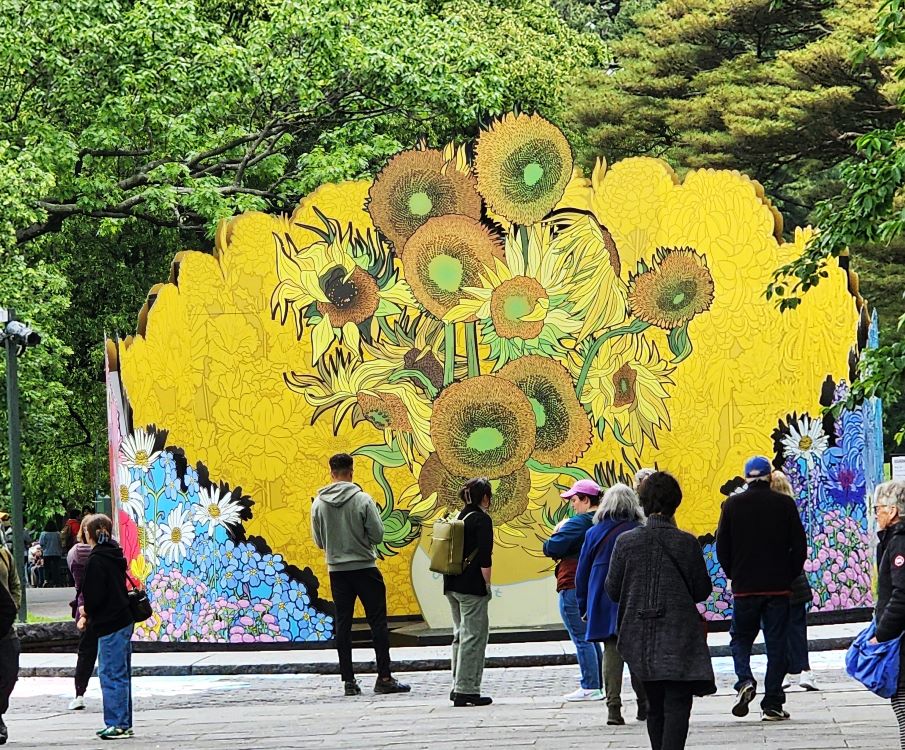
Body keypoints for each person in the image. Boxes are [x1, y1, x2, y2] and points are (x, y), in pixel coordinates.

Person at [606, 471, 715, 750]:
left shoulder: (625, 542)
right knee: (678, 703)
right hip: (679, 635)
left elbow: (612, 589)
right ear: (675, 503)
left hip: (639, 637)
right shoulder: (686, 543)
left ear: (642, 502)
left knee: (654, 705)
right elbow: (702, 590)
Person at [716, 456, 807, 722]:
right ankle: (773, 703)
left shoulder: (732, 505)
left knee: (740, 638)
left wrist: (734, 574)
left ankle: (744, 679)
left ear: (746, 478)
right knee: (777, 643)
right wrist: (788, 574)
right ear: (769, 477)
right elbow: (799, 546)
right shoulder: (785, 504)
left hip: (745, 588)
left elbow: (722, 547)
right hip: (778, 588)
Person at [311, 453, 410, 697]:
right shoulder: (363, 500)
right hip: (365, 568)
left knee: (343, 624)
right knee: (377, 622)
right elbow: (377, 535)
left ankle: (348, 680)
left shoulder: (318, 504)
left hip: (337, 572)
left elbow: (319, 542)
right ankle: (384, 678)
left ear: (331, 472)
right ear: (351, 472)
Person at [576, 482, 648, 725]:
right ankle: (644, 704)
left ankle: (613, 707)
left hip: (603, 596)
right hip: (634, 595)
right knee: (636, 649)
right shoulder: (640, 530)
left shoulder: (593, 533)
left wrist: (583, 605)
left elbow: (582, 573)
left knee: (611, 649)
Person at [543, 479, 604, 705]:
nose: (572, 505)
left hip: (572, 582)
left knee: (581, 637)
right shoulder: (603, 521)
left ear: (586, 500)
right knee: (591, 637)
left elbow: (551, 547)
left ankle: (590, 686)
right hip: (592, 583)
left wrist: (558, 530)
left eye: (575, 500)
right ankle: (597, 684)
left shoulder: (578, 522)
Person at [82, 514, 134, 740]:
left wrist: (85, 612)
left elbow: (94, 597)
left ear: (90, 534)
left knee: (111, 674)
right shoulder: (115, 554)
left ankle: (117, 724)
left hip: (109, 622)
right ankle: (124, 722)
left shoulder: (96, 559)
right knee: (122, 674)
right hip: (124, 618)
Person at [443, 478, 494, 707]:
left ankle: (457, 686)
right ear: (485, 497)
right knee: (474, 636)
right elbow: (484, 557)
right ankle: (467, 690)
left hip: (452, 584)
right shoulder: (481, 520)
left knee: (460, 635)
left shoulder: (459, 517)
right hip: (472, 586)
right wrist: (487, 585)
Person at [770, 471, 818, 693]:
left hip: (772, 580)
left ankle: (781, 674)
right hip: (795, 579)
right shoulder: (791, 511)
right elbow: (799, 546)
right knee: (797, 627)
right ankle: (805, 671)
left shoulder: (766, 513)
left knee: (775, 628)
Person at [870, 481, 905, 748]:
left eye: (878, 508)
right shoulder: (892, 540)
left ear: (892, 511)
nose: (876, 515)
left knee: (901, 696)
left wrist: (882, 633)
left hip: (900, 637)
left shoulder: (899, 543)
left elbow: (902, 594)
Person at [68, 515, 98, 710]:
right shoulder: (112, 551)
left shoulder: (75, 554)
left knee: (86, 653)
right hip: (111, 610)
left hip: (87, 609)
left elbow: (80, 585)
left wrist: (83, 611)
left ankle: (79, 694)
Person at [0, 539, 20, 745]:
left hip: (5, 627)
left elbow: (15, 584)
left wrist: (14, 607)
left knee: (10, 674)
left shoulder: (4, 554)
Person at [39, 520, 62, 587]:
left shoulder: (43, 534)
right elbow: (60, 543)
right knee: (56, 567)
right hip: (56, 553)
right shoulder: (58, 534)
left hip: (47, 553)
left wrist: (44, 548)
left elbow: (41, 543)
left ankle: (46, 580)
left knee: (46, 568)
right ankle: (56, 581)